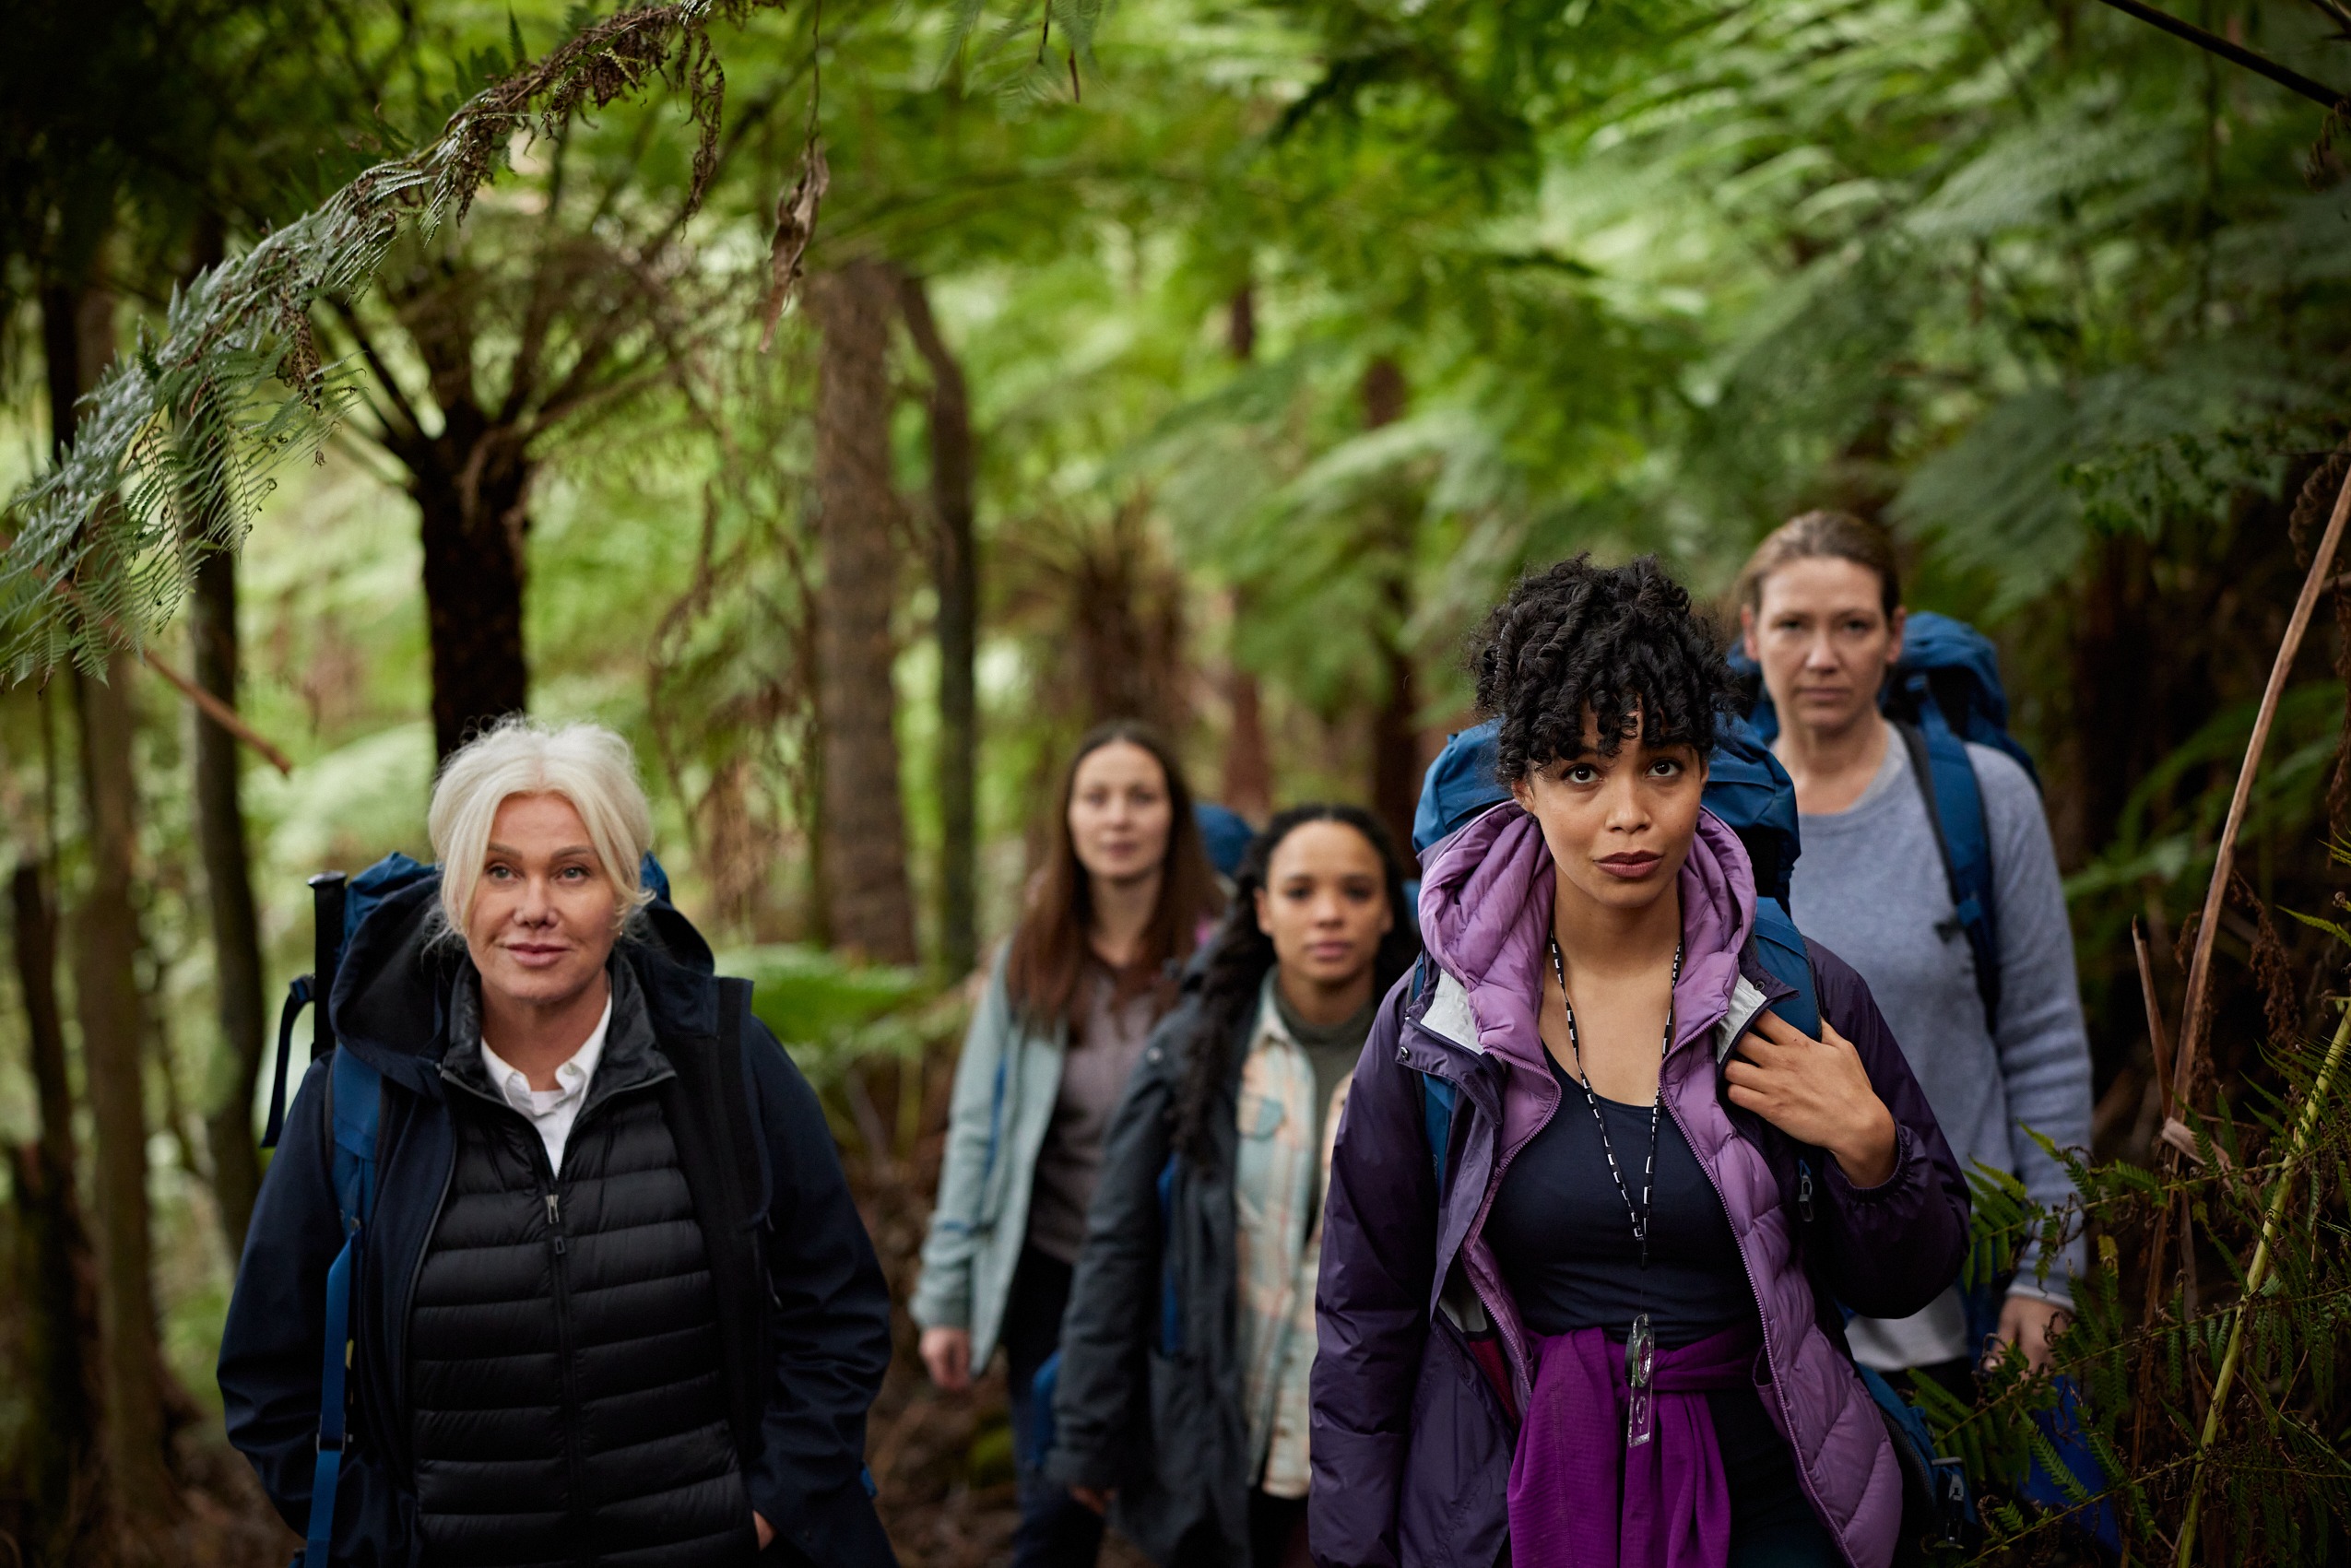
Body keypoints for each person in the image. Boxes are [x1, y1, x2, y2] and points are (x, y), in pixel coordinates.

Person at [1309, 556, 1971, 1568]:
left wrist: (1872, 1152)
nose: (1630, 812)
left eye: (1663, 764)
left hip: (1773, 1496)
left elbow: (1909, 1279)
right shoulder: (1437, 1020)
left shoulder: (1795, 992)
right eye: (1582, 772)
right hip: (1524, 1490)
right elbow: (1367, 1312)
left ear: (1703, 771)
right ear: (1524, 784)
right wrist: (1353, 1553)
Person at [219, 718, 894, 1567]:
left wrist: (761, 1510)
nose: (533, 908)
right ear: (457, 893)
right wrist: (395, 1547)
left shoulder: (724, 1063)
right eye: (500, 870)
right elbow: (267, 1380)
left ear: (623, 892)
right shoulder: (359, 1096)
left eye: (572, 871)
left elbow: (841, 1310)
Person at [1736, 512, 2093, 1384]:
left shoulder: (1983, 799)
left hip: (1972, 1299)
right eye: (1793, 625)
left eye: (1854, 625)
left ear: (1895, 636)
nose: (1823, 656)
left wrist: (2049, 1274)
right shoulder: (1716, 824)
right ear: (1750, 634)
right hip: (1786, 1324)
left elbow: (2043, 1037)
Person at [1045, 806, 1423, 1568]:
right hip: (1213, 1438)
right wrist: (1088, 1432)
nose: (1328, 913)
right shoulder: (1194, 1050)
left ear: (1390, 909)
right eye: (1300, 891)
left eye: (1355, 891)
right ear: (1261, 908)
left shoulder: (1431, 1059)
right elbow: (1119, 1244)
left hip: (1368, 1453)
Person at [910, 722, 1224, 1568]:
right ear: (1070, 818)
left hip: (1187, 1276)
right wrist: (948, 1295)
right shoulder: (1030, 958)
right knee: (1054, 1518)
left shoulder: (1224, 946)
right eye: (1097, 797)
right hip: (1055, 1276)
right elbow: (978, 1129)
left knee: (1199, 1518)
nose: (1118, 816)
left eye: (1140, 796)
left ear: (1173, 816)